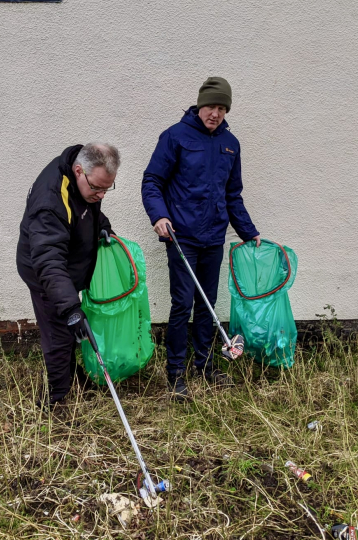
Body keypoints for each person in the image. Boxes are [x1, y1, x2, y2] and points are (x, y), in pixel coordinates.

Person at [141, 77, 260, 401]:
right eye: (212, 106)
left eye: (222, 108)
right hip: (182, 237)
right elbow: (152, 180)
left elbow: (232, 194)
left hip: (213, 238)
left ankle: (205, 367)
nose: (216, 113)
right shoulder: (175, 137)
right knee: (183, 304)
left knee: (206, 305)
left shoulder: (230, 144)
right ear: (199, 105)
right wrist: (159, 216)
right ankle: (176, 374)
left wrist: (249, 232)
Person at [17, 143, 119, 408]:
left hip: (65, 266)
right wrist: (71, 308)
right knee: (59, 332)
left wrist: (104, 228)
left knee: (70, 331)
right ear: (78, 171)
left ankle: (74, 378)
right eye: (97, 188)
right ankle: (57, 398)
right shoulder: (50, 199)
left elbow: (89, 211)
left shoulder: (85, 184)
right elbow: (48, 258)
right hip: (44, 271)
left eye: (107, 189)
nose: (101, 195)